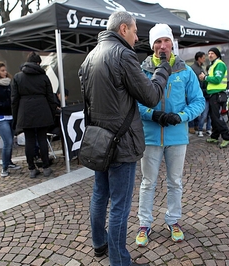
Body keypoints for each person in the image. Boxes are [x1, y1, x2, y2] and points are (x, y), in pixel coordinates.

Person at [78, 11, 171, 266]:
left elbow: (88, 102)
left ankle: (99, 245)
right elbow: (151, 96)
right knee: (119, 205)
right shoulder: (123, 55)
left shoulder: (90, 56)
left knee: (99, 195)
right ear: (123, 29)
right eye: (134, 30)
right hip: (122, 142)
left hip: (100, 141)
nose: (137, 36)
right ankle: (119, 261)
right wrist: (163, 69)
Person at [136, 24, 204, 247]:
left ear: (172, 43)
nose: (162, 45)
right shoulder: (142, 70)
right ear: (152, 45)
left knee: (175, 182)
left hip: (177, 137)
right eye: (157, 41)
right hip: (151, 137)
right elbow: (134, 104)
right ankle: (144, 223)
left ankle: (173, 220)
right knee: (148, 182)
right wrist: (152, 114)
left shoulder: (185, 71)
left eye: (166, 40)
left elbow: (198, 101)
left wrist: (182, 116)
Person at [12, 51, 57, 178]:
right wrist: (52, 113)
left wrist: (15, 117)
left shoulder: (17, 77)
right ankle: (46, 167)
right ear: (38, 63)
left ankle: (31, 168)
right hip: (42, 110)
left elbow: (14, 100)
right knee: (43, 139)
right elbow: (50, 97)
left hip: (25, 111)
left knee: (30, 140)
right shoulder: (44, 77)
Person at [199, 47, 229, 148]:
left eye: (212, 53)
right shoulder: (214, 65)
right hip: (213, 94)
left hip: (217, 95)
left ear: (217, 54)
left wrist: (205, 77)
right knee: (213, 117)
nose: (210, 55)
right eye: (208, 53)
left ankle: (227, 137)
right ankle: (215, 136)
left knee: (216, 118)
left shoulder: (219, 64)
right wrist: (205, 79)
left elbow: (217, 79)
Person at [191, 51, 212, 137]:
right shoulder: (193, 68)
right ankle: (191, 126)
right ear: (199, 58)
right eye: (203, 58)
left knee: (198, 110)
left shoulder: (200, 68)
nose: (204, 59)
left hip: (201, 91)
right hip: (195, 92)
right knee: (193, 109)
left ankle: (196, 126)